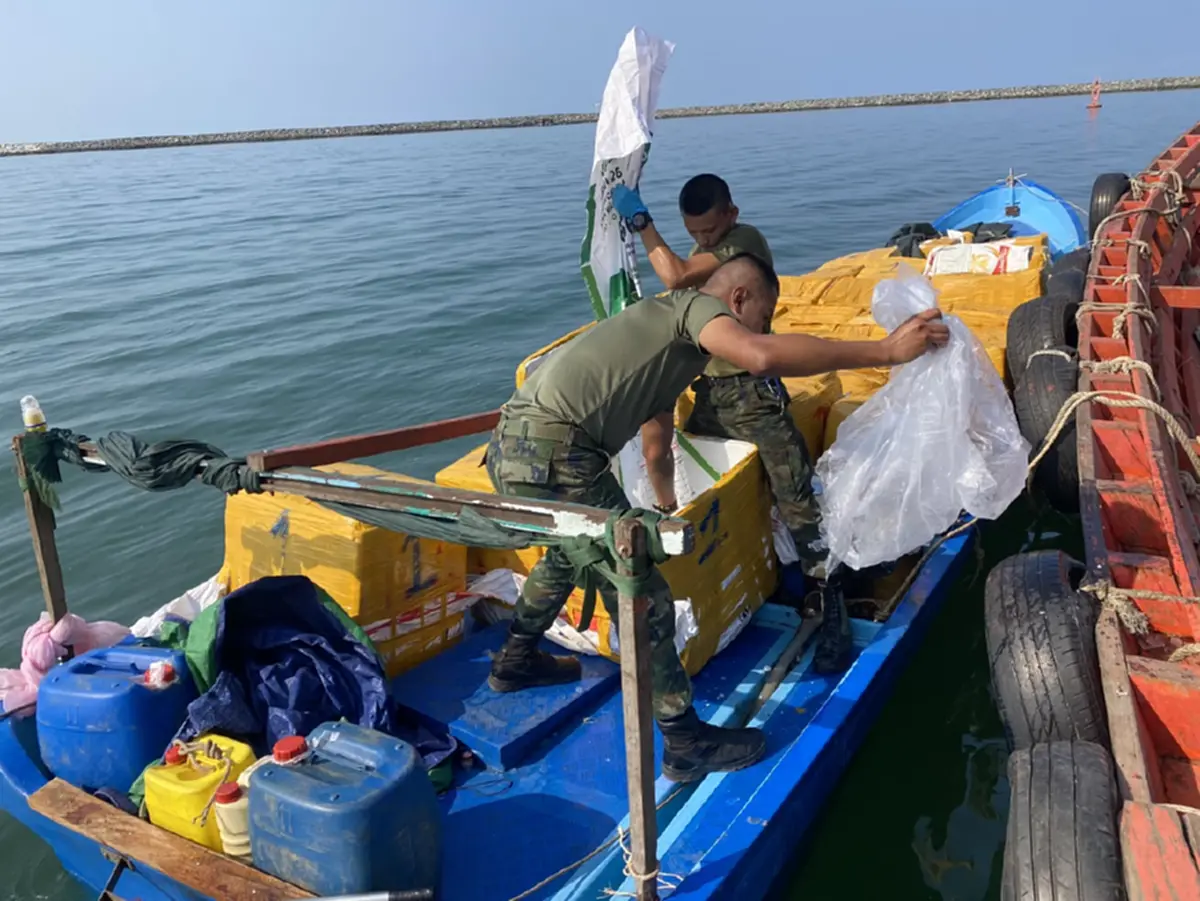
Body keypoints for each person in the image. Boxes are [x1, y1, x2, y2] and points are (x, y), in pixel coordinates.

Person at [484, 253, 948, 783]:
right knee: (641, 593)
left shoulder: (662, 343)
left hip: (512, 445)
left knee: (569, 556)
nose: (763, 328)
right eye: (763, 315)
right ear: (738, 300)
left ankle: (514, 659)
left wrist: (662, 507)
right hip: (559, 449)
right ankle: (685, 741)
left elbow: (656, 442)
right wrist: (886, 351)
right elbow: (759, 356)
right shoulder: (691, 312)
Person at [613, 175, 851, 673]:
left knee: (797, 499)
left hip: (753, 395)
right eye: (694, 232)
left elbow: (675, 275)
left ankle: (830, 606)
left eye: (709, 228)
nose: (704, 239)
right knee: (710, 485)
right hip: (709, 395)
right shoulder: (709, 254)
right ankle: (729, 584)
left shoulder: (744, 245)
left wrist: (642, 225)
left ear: (731, 214)